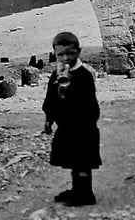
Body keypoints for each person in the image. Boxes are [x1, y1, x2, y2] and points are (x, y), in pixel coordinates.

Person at [41, 31, 100, 206]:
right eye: (61, 55)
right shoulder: (55, 76)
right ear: (55, 55)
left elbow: (90, 104)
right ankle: (76, 190)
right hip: (66, 127)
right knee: (73, 160)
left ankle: (86, 194)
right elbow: (50, 100)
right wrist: (49, 119)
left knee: (83, 162)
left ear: (79, 52)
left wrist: (68, 92)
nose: (65, 58)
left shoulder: (84, 75)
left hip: (83, 127)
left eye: (70, 54)